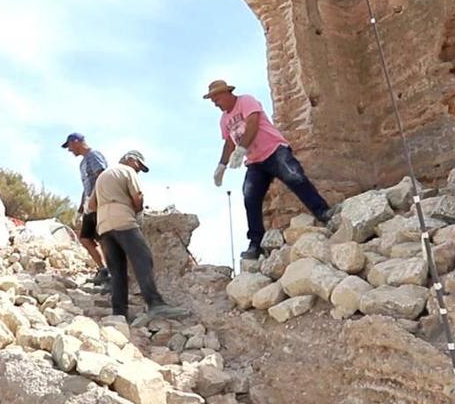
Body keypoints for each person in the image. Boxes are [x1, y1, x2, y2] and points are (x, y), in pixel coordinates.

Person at [204, 80, 332, 260]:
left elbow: (253, 123)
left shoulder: (246, 101)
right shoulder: (224, 120)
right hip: (255, 162)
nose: (214, 103)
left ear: (226, 93)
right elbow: (229, 143)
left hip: (274, 151)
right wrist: (221, 166)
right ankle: (256, 244)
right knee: (250, 198)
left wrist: (241, 149)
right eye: (212, 100)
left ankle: (323, 212)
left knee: (295, 177)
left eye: (216, 98)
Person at [89, 150, 189, 322]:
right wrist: (136, 211)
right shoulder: (127, 171)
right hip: (123, 220)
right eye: (139, 166)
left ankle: (119, 313)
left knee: (117, 270)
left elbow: (91, 205)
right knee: (143, 259)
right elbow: (138, 196)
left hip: (104, 226)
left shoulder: (103, 176)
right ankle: (155, 304)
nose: (139, 171)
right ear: (130, 160)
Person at [62, 132, 110, 285]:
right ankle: (104, 270)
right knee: (85, 238)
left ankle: (113, 274)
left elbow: (102, 177)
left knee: (103, 239)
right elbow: (86, 186)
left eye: (69, 146)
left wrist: (95, 199)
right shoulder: (83, 163)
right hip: (90, 205)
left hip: (100, 203)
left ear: (76, 141)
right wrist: (81, 208)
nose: (69, 150)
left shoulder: (94, 156)